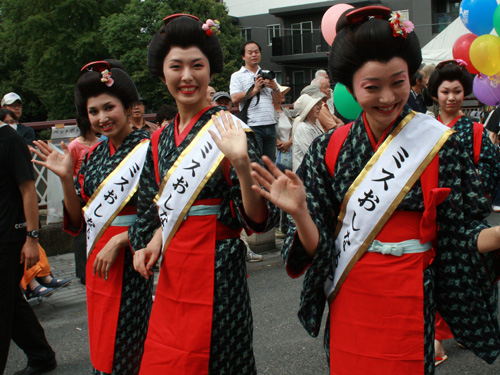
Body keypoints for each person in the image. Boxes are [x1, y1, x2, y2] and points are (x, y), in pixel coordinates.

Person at [250, 6, 500, 375]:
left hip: (412, 296)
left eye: (398, 83)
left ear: (411, 80)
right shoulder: (328, 149)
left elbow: (461, 235)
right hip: (352, 295)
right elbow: (316, 249)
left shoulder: (440, 144)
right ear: (350, 87)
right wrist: (301, 213)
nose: (388, 97)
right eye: (372, 87)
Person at [130, 14, 276, 374]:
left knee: (220, 359)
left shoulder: (232, 129)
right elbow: (154, 210)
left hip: (219, 269)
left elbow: (260, 220)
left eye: (197, 65)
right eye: (175, 66)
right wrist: (150, 242)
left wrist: (241, 164)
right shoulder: (158, 140)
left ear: (210, 71)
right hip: (174, 270)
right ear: (162, 72)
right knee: (170, 358)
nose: (187, 76)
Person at [30, 60, 153, 375]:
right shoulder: (94, 155)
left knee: (133, 342)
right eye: (93, 111)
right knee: (103, 338)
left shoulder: (150, 150)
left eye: (108, 107)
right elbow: (78, 218)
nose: (102, 117)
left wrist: (122, 238)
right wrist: (65, 178)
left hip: (138, 260)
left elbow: (165, 213)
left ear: (128, 107)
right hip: (99, 260)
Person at [427, 59, 500, 364]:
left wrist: (467, 192)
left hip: (467, 218)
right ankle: (436, 337)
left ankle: (468, 328)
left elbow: (492, 168)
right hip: (432, 216)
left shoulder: (477, 130)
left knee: (474, 278)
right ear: (436, 95)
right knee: (434, 277)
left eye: (457, 91)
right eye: (445, 91)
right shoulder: (424, 128)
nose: (452, 97)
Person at [0, 113, 56, 375]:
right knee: (11, 302)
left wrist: (32, 238)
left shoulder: (10, 140)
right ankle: (41, 356)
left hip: (9, 235)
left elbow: (28, 189)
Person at [230, 40, 281, 161]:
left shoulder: (267, 74)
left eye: (256, 52)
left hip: (270, 124)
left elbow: (279, 101)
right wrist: (255, 89)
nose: (254, 55)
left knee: (270, 163)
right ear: (243, 56)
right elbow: (235, 98)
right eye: (250, 52)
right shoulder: (237, 75)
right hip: (252, 126)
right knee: (255, 163)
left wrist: (275, 88)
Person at [67, 117, 100, 285]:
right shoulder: (74, 146)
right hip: (81, 194)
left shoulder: (102, 142)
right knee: (82, 234)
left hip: (99, 194)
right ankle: (83, 271)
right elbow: (70, 170)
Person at [292, 93, 325, 172]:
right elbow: (311, 153)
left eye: (318, 105)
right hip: (306, 173)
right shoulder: (303, 128)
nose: (319, 108)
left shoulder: (315, 125)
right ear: (308, 110)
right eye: (315, 105)